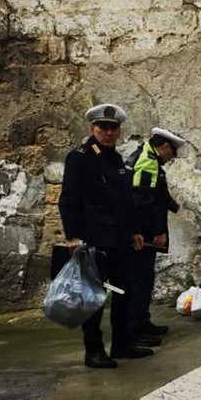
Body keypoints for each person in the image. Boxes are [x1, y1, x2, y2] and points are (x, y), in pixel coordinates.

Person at [58, 103, 153, 369]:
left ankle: (122, 344)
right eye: (103, 128)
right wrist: (73, 237)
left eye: (113, 128)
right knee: (94, 298)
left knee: (125, 291)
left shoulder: (115, 159)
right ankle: (94, 351)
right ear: (93, 129)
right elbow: (69, 200)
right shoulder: (79, 158)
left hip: (120, 239)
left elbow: (125, 200)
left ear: (119, 131)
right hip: (94, 240)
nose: (109, 133)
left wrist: (135, 230)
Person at [125, 127, 186, 346]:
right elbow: (144, 201)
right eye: (172, 154)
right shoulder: (148, 162)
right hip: (143, 233)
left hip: (141, 230)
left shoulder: (146, 157)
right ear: (165, 147)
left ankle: (142, 321)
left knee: (144, 277)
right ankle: (136, 328)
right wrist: (157, 231)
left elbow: (154, 193)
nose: (171, 158)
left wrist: (171, 205)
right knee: (142, 279)